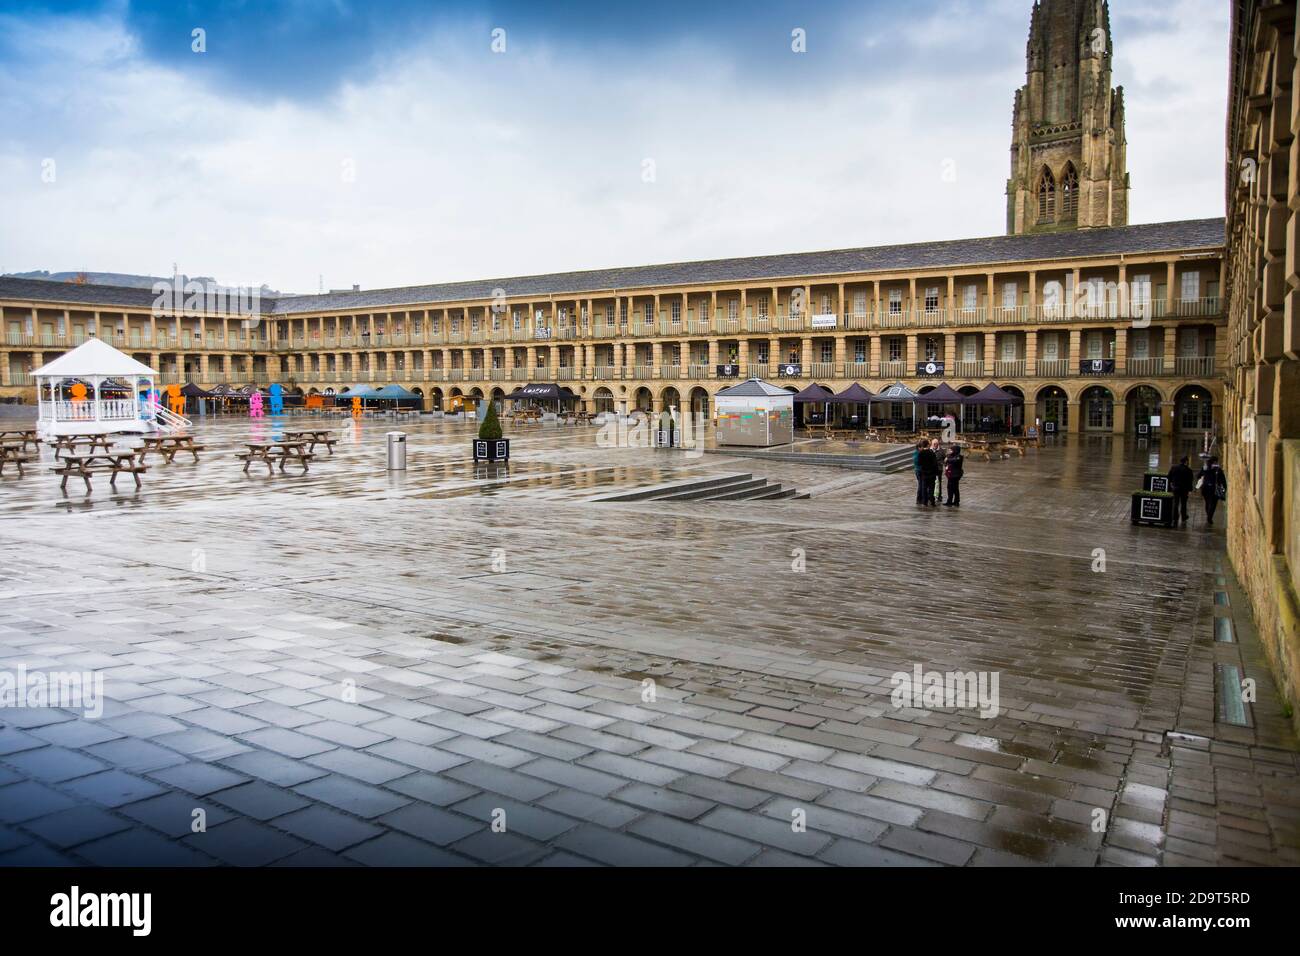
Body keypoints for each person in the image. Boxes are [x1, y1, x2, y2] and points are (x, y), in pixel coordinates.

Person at [1196, 456, 1227, 526]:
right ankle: (1209, 517)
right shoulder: (1218, 470)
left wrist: (1203, 477)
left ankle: (1208, 515)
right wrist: (1224, 489)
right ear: (1215, 461)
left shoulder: (1205, 468)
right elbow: (1223, 481)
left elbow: (1198, 476)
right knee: (1213, 504)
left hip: (1205, 488)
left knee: (1207, 502)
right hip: (1214, 489)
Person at [1167, 455, 1195, 524]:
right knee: (1183, 503)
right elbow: (1190, 481)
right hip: (1184, 490)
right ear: (1186, 461)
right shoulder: (1189, 470)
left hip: (1175, 488)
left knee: (1176, 503)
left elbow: (1169, 476)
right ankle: (1183, 517)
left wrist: (1172, 483)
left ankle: (1175, 517)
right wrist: (1190, 490)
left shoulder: (1174, 467)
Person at [918, 440, 940, 507]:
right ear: (927, 445)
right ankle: (932, 502)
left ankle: (925, 502)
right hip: (932, 473)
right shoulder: (931, 453)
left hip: (924, 473)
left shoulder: (921, 453)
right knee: (931, 488)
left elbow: (919, 463)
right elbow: (935, 464)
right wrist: (937, 472)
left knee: (924, 488)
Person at [913, 440, 927, 505]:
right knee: (921, 485)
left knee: (921, 484)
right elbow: (917, 462)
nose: (923, 448)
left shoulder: (918, 452)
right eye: (922, 447)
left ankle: (921, 498)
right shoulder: (917, 453)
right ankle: (919, 499)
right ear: (919, 447)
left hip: (919, 470)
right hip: (919, 470)